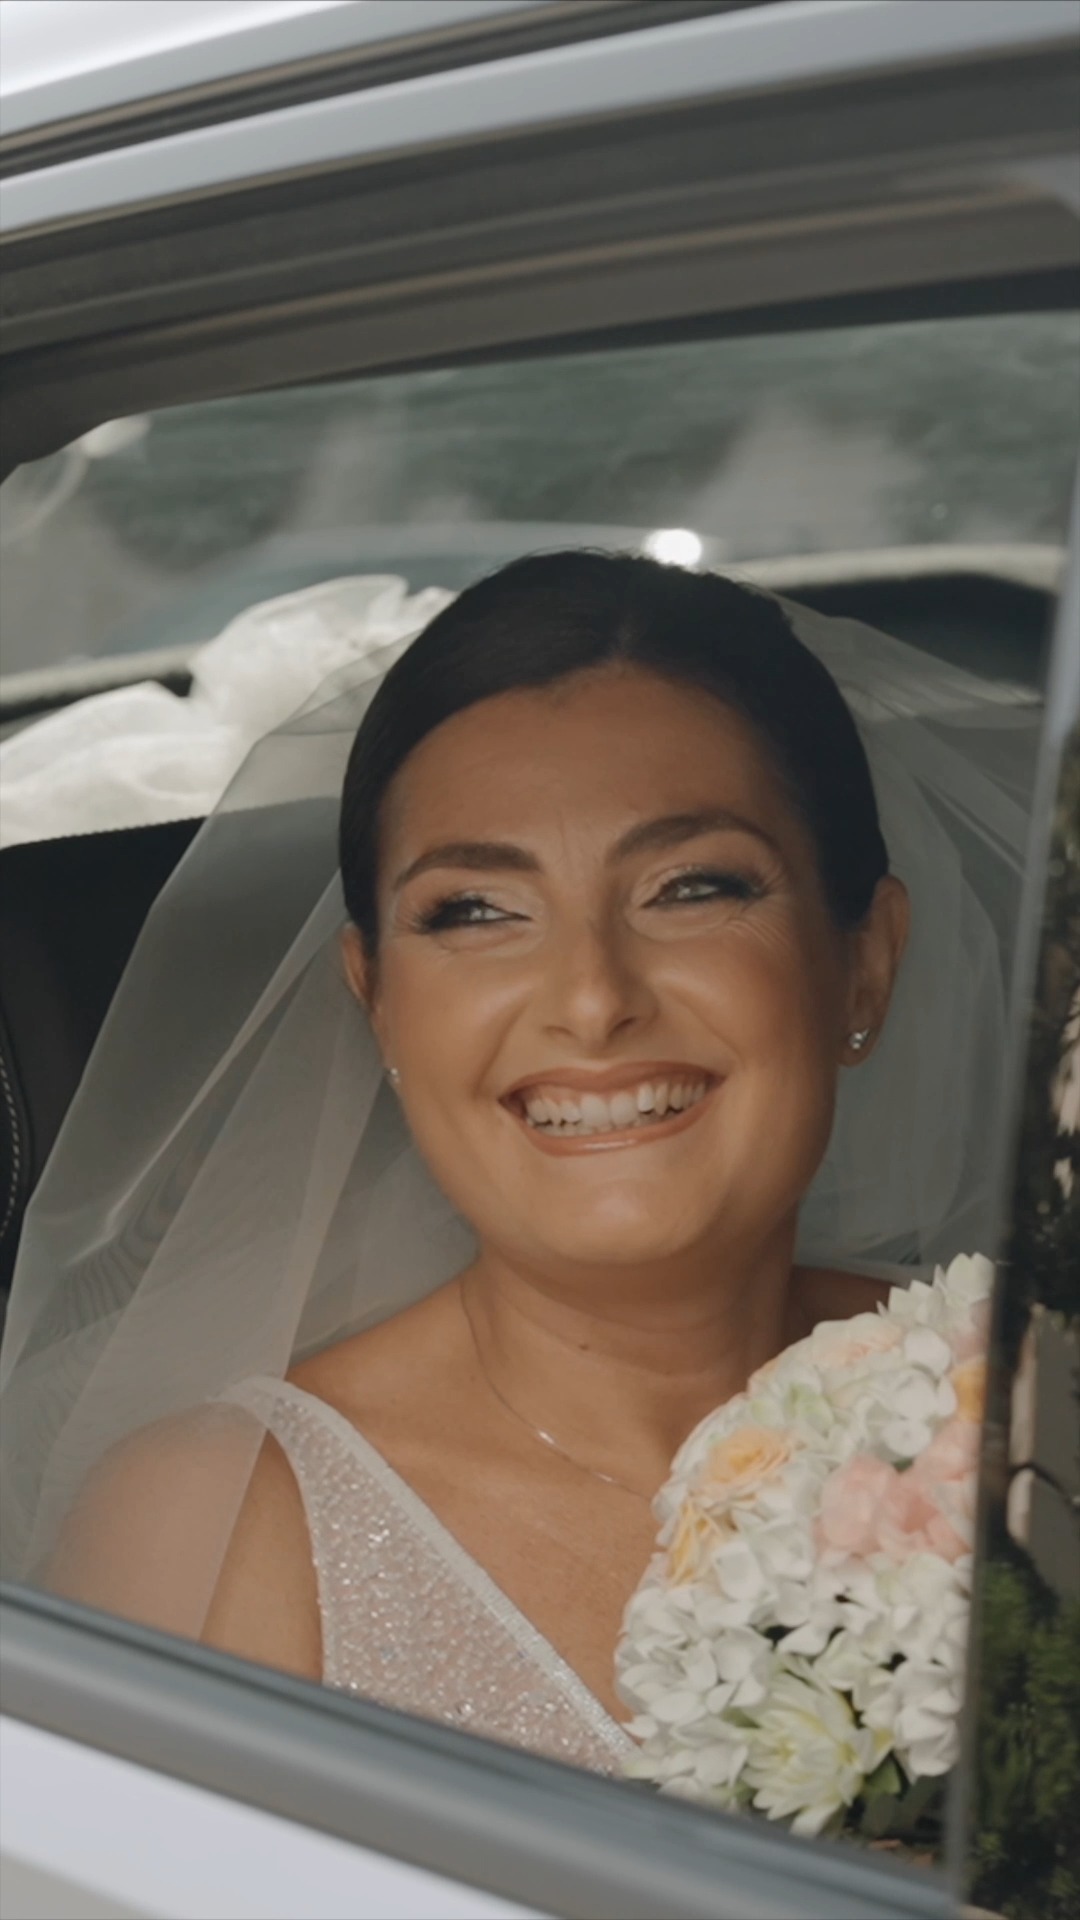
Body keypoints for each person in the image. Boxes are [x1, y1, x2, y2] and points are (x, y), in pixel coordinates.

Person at [0, 553, 1028, 1783]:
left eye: (691, 887)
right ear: (375, 999)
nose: (593, 1000)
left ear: (865, 961)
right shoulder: (215, 1526)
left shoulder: (1024, 1403)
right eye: (475, 911)